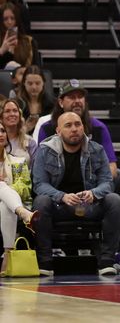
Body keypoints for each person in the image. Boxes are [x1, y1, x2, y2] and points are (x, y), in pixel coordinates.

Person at [32, 112, 120, 276]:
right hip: (60, 206)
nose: (74, 129)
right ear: (58, 131)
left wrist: (94, 193)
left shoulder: (97, 149)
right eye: (68, 125)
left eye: (78, 124)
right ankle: (45, 261)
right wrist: (62, 196)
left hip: (88, 205)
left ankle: (107, 261)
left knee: (114, 200)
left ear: (83, 127)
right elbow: (39, 184)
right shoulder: (44, 150)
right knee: (41, 202)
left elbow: (108, 182)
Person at [0, 118, 38, 276]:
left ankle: (7, 255)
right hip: (16, 207)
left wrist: (6, 188)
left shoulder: (18, 162)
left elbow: (25, 188)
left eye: (2, 131)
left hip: (7, 205)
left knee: (4, 206)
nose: (0, 134)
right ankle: (24, 213)